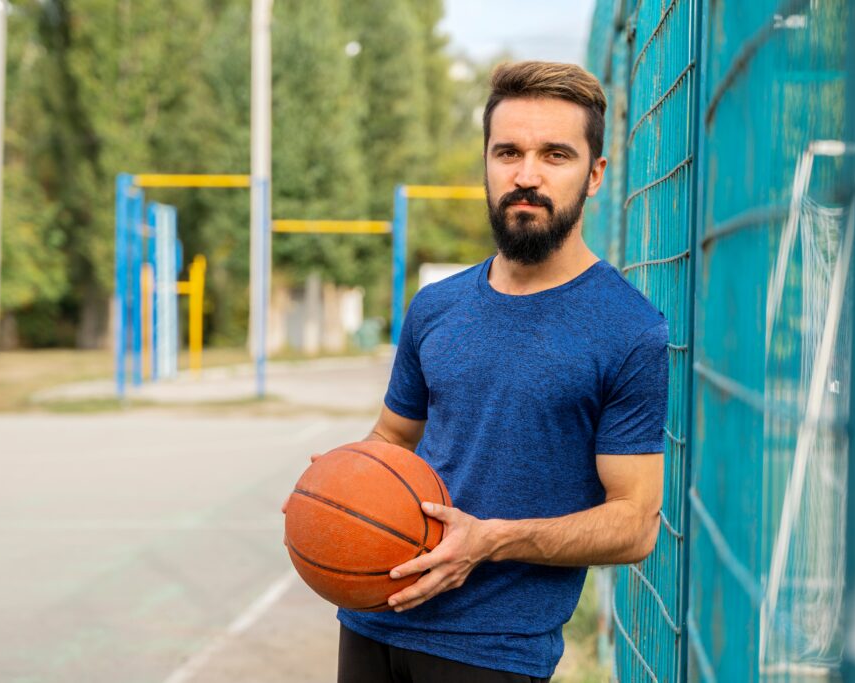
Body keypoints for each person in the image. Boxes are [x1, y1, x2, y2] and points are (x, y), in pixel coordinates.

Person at [285, 60, 668, 682]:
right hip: (370, 614)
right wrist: (336, 486)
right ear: (486, 163)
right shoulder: (436, 307)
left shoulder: (629, 329)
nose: (526, 175)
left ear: (595, 174)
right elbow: (391, 437)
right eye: (508, 152)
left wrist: (490, 540)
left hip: (494, 650)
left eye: (555, 155)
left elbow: (635, 525)